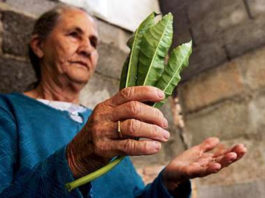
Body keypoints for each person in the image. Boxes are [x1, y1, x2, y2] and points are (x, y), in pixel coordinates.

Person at [0, 4, 247, 198]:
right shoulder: (8, 112)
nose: (87, 48)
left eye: (93, 42)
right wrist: (74, 160)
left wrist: (168, 183)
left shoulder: (104, 122)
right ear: (39, 46)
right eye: (74, 35)